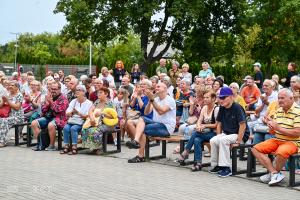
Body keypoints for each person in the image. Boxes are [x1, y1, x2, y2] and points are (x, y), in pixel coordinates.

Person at [251, 88, 300, 185]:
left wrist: (278, 128)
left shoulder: (298, 111)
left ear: (291, 98)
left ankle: (274, 174)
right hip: (278, 139)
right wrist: (271, 126)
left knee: (281, 152)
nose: (280, 100)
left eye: (282, 98)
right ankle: (274, 173)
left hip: (293, 142)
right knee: (255, 149)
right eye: (279, 98)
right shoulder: (278, 111)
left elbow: (297, 133)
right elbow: (273, 132)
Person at [126, 82, 176, 163]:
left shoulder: (170, 100)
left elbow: (161, 111)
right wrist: (150, 101)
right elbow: (146, 112)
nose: (156, 88)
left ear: (165, 89)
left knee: (142, 129)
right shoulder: (155, 99)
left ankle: (140, 155)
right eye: (156, 87)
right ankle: (136, 141)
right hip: (156, 123)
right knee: (141, 119)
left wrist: (152, 100)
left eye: (159, 87)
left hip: (166, 127)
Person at [209, 87, 249, 177]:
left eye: (224, 97)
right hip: (227, 134)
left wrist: (238, 141)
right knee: (214, 140)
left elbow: (243, 125)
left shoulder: (237, 107)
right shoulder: (222, 108)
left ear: (231, 97)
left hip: (240, 135)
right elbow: (219, 124)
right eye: (220, 98)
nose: (221, 100)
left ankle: (226, 168)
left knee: (223, 140)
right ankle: (217, 165)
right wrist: (218, 136)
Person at [177, 90, 219, 171]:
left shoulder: (216, 109)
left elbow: (216, 125)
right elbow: (199, 120)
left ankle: (185, 152)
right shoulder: (204, 108)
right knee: (196, 139)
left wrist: (204, 126)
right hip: (204, 133)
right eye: (204, 97)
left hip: (214, 133)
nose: (205, 99)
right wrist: (199, 126)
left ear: (213, 99)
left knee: (195, 134)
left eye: (207, 97)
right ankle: (198, 164)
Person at [31, 82, 69, 151]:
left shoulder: (63, 98)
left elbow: (59, 110)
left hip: (60, 118)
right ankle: (41, 143)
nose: (53, 90)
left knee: (51, 125)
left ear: (59, 89)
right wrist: (47, 104)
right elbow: (43, 110)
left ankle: (52, 145)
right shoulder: (49, 97)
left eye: (55, 89)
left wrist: (50, 102)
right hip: (48, 117)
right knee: (34, 123)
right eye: (52, 89)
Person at [81, 87, 117, 153]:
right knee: (86, 128)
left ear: (106, 94)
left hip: (108, 124)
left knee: (96, 130)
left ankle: (99, 148)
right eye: (98, 93)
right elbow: (90, 110)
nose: (98, 94)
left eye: (101, 93)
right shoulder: (97, 101)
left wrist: (102, 113)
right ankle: (92, 147)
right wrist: (91, 118)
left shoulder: (110, 103)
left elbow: (113, 117)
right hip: (97, 121)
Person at [60, 85, 93, 155]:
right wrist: (72, 112)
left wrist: (78, 113)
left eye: (79, 90)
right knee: (66, 128)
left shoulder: (89, 103)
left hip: (82, 122)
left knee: (73, 128)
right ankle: (66, 146)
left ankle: (74, 147)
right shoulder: (73, 101)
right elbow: (67, 113)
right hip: (73, 120)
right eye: (76, 90)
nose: (77, 91)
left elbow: (87, 116)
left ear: (84, 92)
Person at [249, 80, 278, 144]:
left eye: (266, 86)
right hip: (261, 120)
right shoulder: (262, 96)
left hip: (271, 121)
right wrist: (263, 103)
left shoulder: (277, 96)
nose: (264, 87)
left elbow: (274, 108)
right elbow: (256, 111)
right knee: (247, 126)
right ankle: (248, 149)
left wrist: (266, 102)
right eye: (263, 85)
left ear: (272, 87)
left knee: (265, 135)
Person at [0, 81, 24, 147]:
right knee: (2, 120)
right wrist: (3, 101)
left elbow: (17, 107)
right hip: (8, 116)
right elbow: (1, 105)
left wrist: (8, 101)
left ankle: (2, 141)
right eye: (10, 85)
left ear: (17, 87)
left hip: (18, 117)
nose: (10, 86)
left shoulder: (19, 95)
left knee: (4, 121)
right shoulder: (7, 94)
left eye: (12, 85)